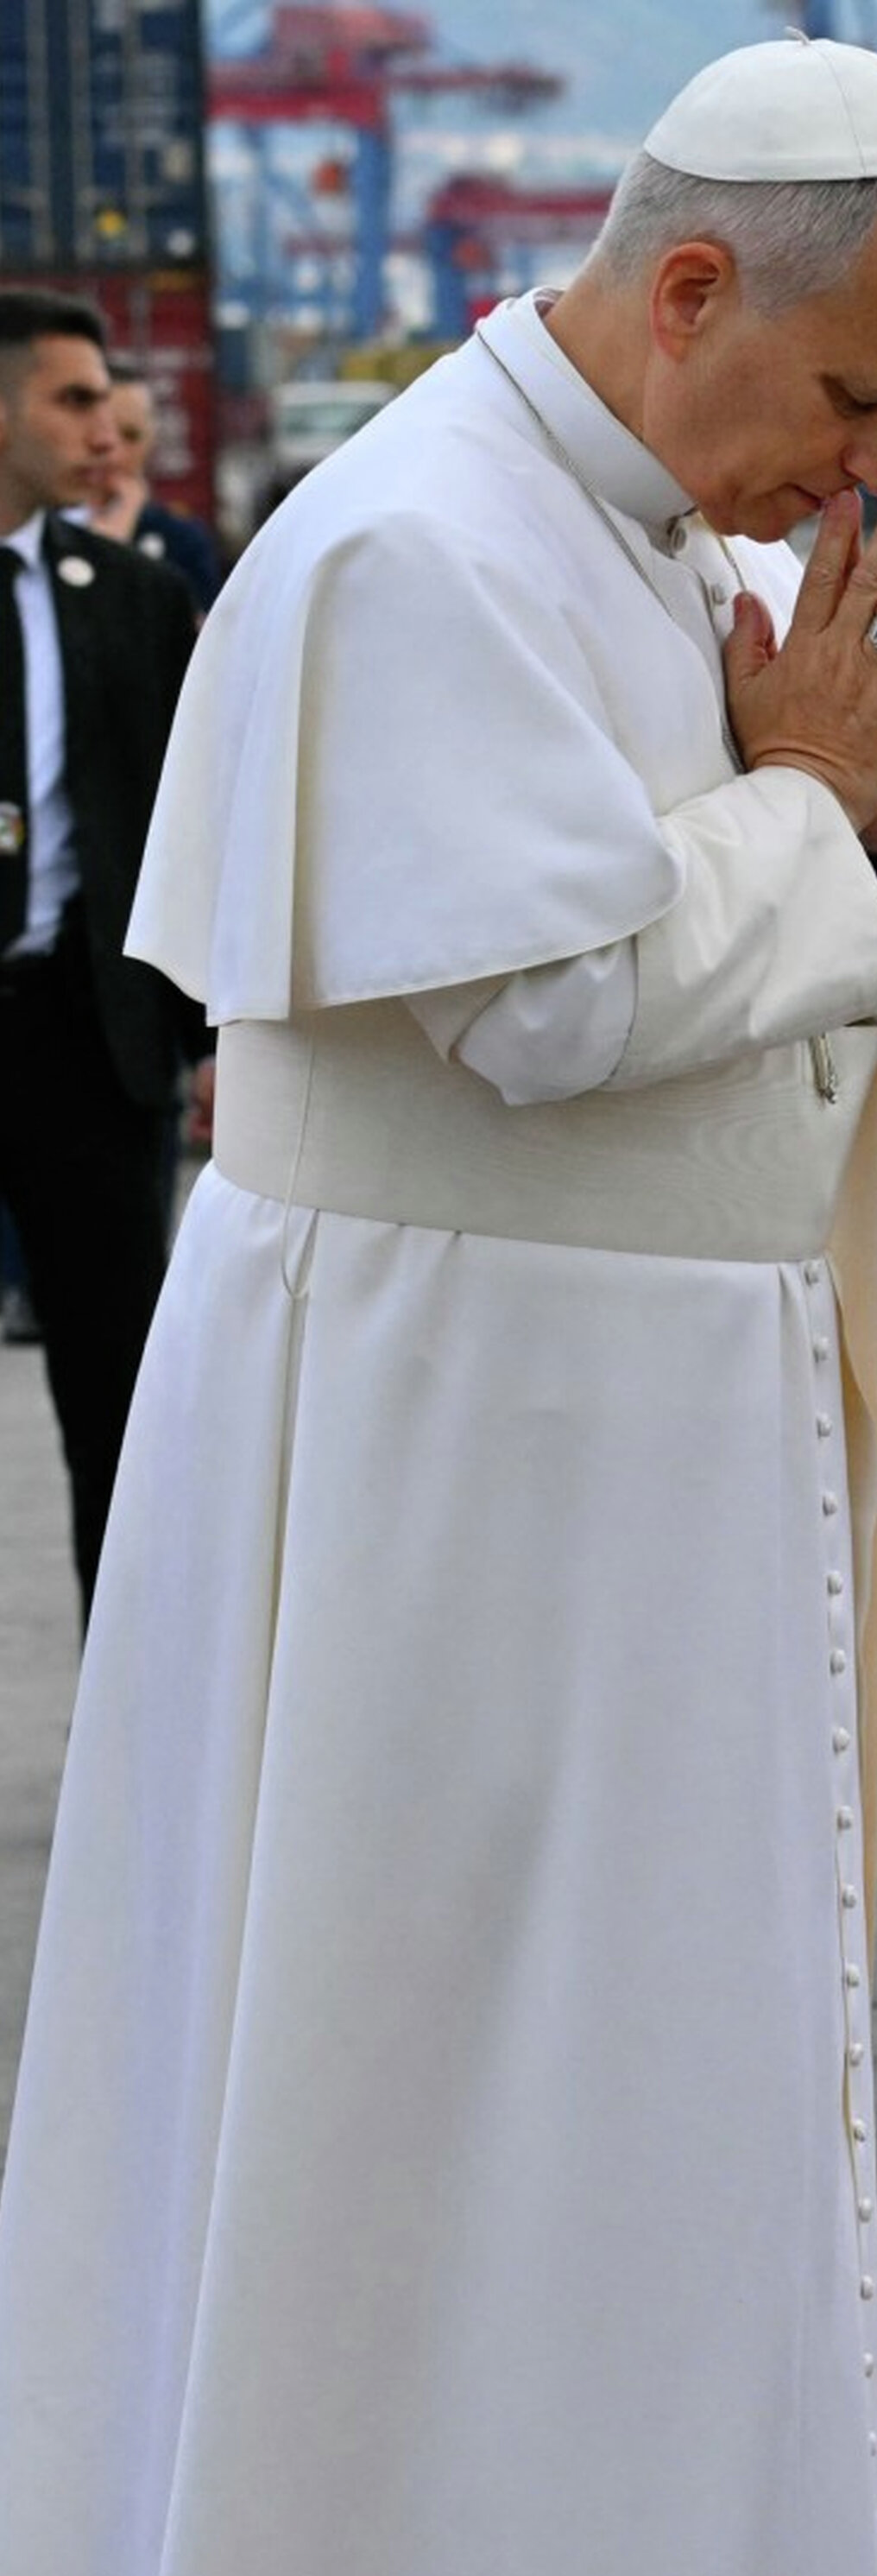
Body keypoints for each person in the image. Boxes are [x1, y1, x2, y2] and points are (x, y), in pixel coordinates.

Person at [0, 40, 877, 2576]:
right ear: (686, 292)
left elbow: (833, 860)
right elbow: (548, 1001)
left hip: (618, 1464)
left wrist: (846, 804)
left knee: (644, 2109)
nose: (873, 465)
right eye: (857, 390)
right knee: (421, 2116)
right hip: (454, 1470)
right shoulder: (410, 549)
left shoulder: (667, 519)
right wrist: (831, 810)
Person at [0, 289, 201, 1613]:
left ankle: (138, 1767)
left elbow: (200, 829)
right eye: (73, 398)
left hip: (84, 1046)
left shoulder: (132, 596)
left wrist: (213, 1040)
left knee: (126, 1419)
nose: (106, 426)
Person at [85, 364, 224, 614]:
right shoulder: (31, 532)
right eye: (103, 432)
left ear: (151, 442)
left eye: (130, 436)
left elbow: (201, 642)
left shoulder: (181, 540)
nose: (114, 452)